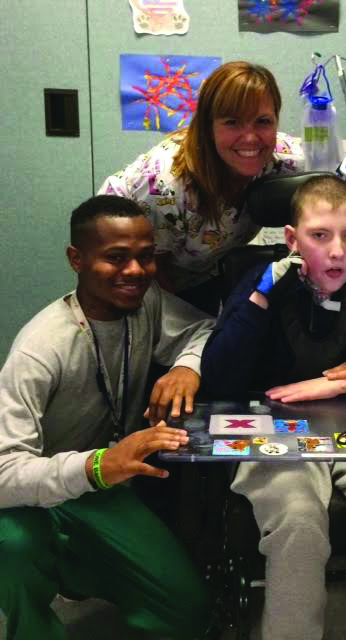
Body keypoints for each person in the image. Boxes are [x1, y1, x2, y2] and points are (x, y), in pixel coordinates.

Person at [201, 175, 346, 640]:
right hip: (273, 432)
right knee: (299, 524)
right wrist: (260, 296)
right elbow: (219, 380)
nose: (337, 252)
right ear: (292, 239)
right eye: (320, 236)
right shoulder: (260, 283)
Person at [0, 195, 216, 640]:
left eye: (144, 257)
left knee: (187, 611)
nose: (135, 272)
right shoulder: (39, 350)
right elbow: (4, 472)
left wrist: (184, 366)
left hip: (103, 492)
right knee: (13, 546)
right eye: (116, 258)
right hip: (34, 497)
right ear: (76, 260)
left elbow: (203, 328)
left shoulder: (146, 303)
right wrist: (98, 465)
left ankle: (77, 568)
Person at [98, 60, 303, 315]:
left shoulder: (283, 159)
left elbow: (342, 170)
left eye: (263, 121)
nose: (250, 137)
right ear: (208, 126)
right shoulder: (167, 186)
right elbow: (153, 271)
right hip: (132, 268)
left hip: (201, 265)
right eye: (232, 122)